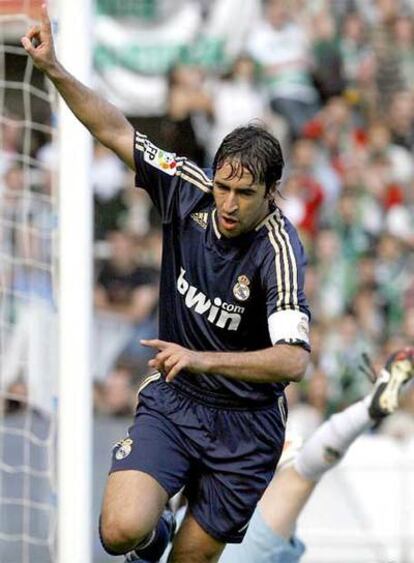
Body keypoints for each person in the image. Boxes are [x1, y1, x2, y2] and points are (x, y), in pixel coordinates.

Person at [22, 8, 311, 563]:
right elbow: (114, 129)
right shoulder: (187, 189)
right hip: (177, 402)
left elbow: (292, 362)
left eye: (243, 195)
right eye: (223, 186)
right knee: (120, 532)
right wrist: (54, 68)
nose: (227, 203)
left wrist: (200, 358)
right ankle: (154, 532)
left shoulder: (279, 250)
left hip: (246, 431)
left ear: (271, 193)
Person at [217, 347, 414, 562]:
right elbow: (305, 470)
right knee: (301, 474)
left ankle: (369, 408)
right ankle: (368, 409)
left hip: (199, 530)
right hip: (234, 534)